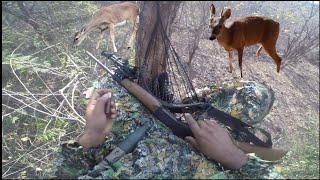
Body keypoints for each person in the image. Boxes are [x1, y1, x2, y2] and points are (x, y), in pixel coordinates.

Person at [51, 89, 282, 179]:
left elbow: (64, 175)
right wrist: (233, 157)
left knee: (254, 93)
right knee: (257, 95)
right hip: (212, 162)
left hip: (120, 148)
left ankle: (192, 103)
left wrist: (92, 136)